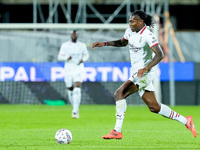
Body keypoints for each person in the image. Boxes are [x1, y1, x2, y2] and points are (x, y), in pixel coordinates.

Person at [91, 10, 196, 139]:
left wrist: (146, 68)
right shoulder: (130, 31)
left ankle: (117, 131)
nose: (130, 24)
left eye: (133, 21)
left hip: (144, 73)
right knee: (154, 107)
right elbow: (123, 42)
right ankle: (186, 121)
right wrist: (105, 43)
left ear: (141, 22)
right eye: (129, 21)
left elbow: (160, 54)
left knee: (119, 93)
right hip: (136, 71)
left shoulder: (148, 35)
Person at [58, 30, 89, 119]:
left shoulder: (82, 45)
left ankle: (75, 111)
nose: (74, 35)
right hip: (68, 68)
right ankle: (74, 108)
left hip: (78, 68)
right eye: (73, 34)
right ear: (71, 35)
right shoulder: (65, 45)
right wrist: (67, 57)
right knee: (70, 90)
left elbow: (86, 55)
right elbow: (59, 57)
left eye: (75, 34)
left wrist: (83, 59)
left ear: (77, 36)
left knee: (77, 88)